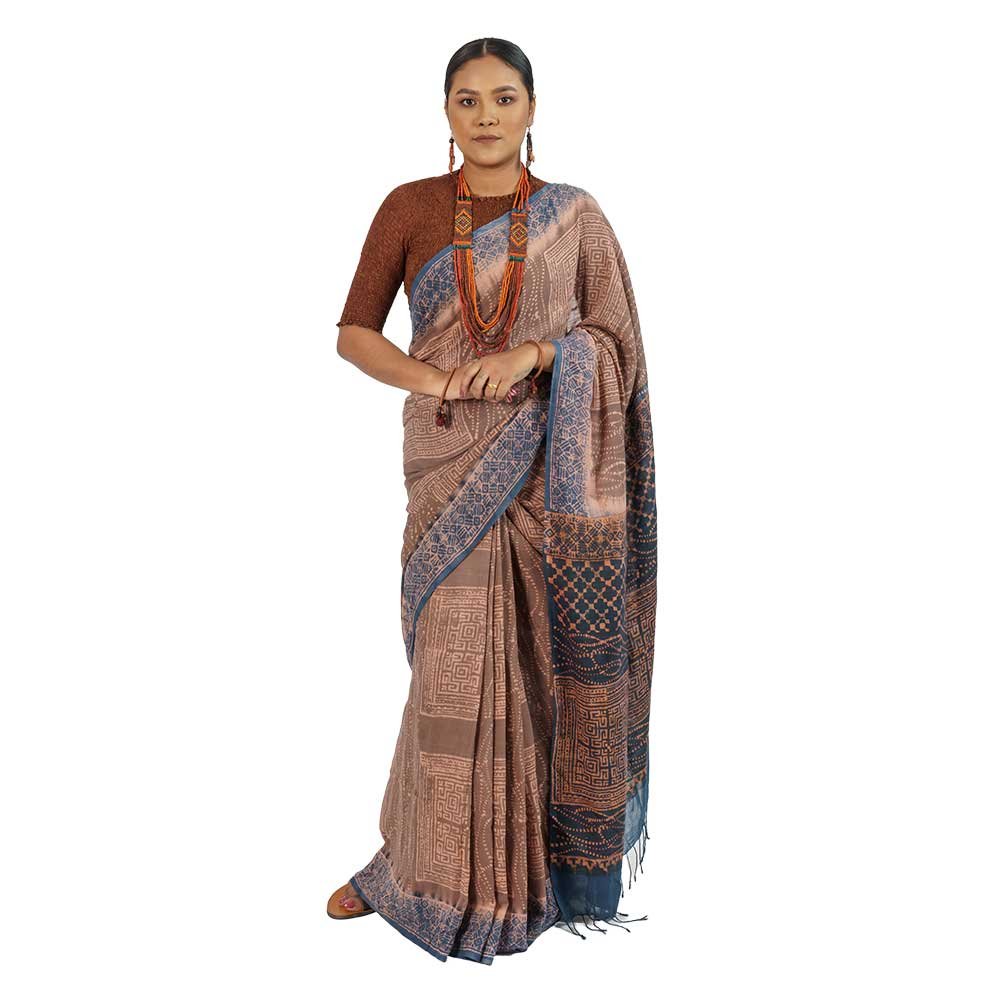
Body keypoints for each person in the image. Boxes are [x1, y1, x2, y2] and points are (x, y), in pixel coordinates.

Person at [326, 37, 658, 964]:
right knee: (450, 667)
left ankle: (536, 876)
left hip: (553, 470)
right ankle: (416, 870)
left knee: (541, 665)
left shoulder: (576, 216)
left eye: (504, 98)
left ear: (532, 108)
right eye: (467, 99)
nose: (486, 116)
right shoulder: (409, 207)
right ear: (446, 111)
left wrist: (539, 355)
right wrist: (434, 380)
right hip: (447, 461)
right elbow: (354, 331)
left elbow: (616, 344)